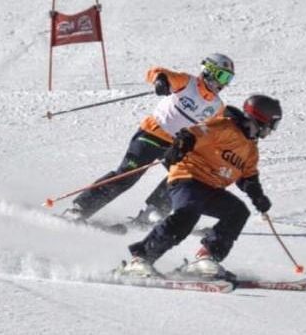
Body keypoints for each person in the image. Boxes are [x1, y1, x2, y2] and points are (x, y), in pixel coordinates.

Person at [120, 94, 283, 279]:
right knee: (188, 213)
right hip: (188, 178)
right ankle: (140, 259)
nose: (273, 130)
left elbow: (248, 176)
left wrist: (257, 195)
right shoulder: (225, 126)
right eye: (273, 124)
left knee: (237, 212)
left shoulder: (251, 149)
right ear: (261, 119)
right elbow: (193, 133)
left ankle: (206, 258)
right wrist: (181, 144)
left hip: (211, 188)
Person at [63, 53, 236, 224]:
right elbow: (157, 72)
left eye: (228, 79)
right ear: (208, 71)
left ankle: (153, 213)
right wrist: (161, 80)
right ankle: (79, 209)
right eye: (222, 76)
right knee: (127, 175)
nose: (223, 83)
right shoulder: (187, 82)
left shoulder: (217, 106)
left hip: (175, 145)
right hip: (152, 134)